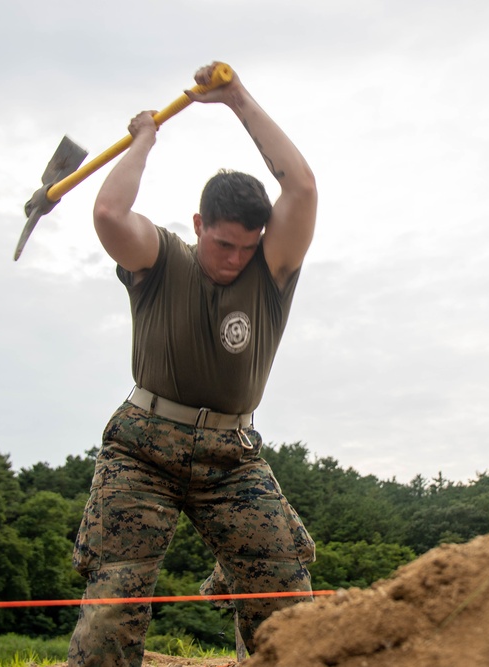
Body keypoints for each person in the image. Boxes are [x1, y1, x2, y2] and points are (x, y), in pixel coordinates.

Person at [67, 62, 318, 667]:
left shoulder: (270, 271)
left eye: (246, 247)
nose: (234, 258)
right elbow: (107, 215)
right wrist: (143, 141)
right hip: (142, 448)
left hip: (232, 455)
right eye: (222, 243)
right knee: (117, 593)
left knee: (283, 584)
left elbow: (302, 189)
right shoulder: (161, 256)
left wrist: (237, 99)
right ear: (199, 224)